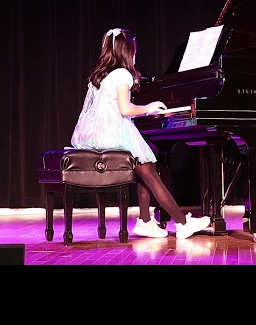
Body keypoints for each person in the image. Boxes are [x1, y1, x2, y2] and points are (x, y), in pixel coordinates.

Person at [70, 27, 211, 239]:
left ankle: (145, 221)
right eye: (134, 51)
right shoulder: (122, 74)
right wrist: (149, 108)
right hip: (113, 133)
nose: (136, 55)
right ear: (128, 52)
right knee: (150, 173)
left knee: (147, 165)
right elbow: (125, 109)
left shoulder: (103, 76)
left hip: (96, 134)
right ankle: (182, 223)